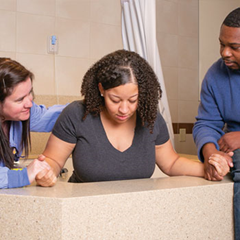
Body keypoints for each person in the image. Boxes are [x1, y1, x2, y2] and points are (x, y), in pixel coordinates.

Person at [35, 49, 229, 187]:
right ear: (101, 89)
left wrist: (207, 169)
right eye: (115, 99)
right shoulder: (77, 114)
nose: (124, 109)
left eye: (133, 100)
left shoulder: (150, 118)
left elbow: (171, 163)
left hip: (135, 209)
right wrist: (46, 173)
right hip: (83, 208)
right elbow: (53, 160)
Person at [192, 7, 240, 239]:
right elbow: (205, 124)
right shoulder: (214, 75)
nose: (225, 53)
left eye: (234, 47)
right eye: (222, 44)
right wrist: (212, 155)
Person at [0, 58, 66, 189]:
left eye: (29, 92)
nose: (29, 103)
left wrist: (90, 106)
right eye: (20, 100)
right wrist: (24, 176)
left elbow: (50, 117)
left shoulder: (22, 114)